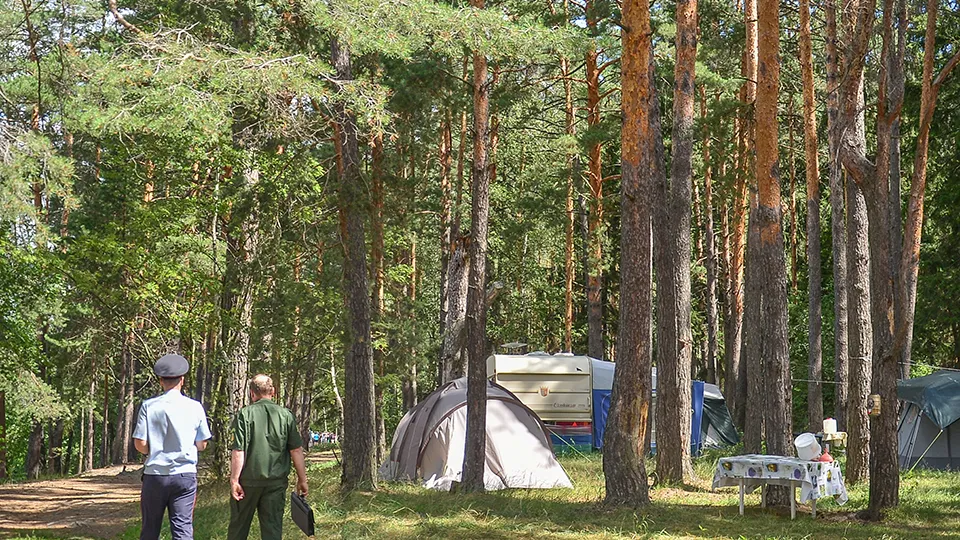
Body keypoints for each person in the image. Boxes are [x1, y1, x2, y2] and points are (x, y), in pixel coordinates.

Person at [133, 353, 213, 540]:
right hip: (185, 475)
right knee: (183, 528)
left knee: (150, 529)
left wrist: (154, 450)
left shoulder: (149, 406)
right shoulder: (195, 407)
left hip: (155, 475)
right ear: (182, 380)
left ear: (161, 381)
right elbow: (202, 444)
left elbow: (140, 444)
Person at [228, 374, 309, 540]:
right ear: (273, 391)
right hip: (275, 483)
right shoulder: (286, 415)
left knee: (238, 528)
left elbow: (238, 451)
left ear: (252, 393)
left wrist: (234, 480)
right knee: (272, 530)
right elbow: (296, 450)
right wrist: (302, 479)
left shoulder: (245, 414)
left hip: (247, 483)